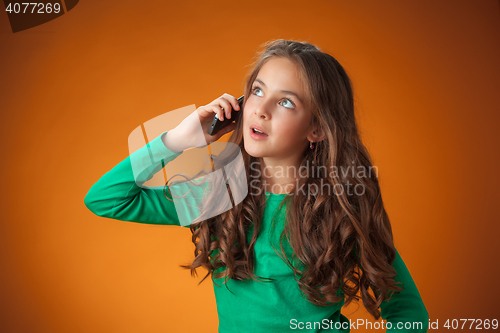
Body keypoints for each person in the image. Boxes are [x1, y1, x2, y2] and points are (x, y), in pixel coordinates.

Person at [84, 39, 428, 332]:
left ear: (317, 129)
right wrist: (176, 139)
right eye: (257, 91)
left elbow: (407, 312)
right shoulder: (216, 196)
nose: (260, 109)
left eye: (286, 102)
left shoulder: (341, 210)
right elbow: (107, 199)